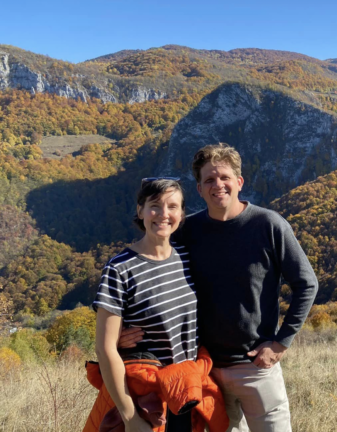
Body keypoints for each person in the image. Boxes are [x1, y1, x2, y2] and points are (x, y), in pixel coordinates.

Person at [121, 144, 318, 432]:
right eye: (209, 180)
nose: (218, 185)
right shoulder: (187, 231)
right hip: (205, 370)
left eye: (225, 177)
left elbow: (307, 283)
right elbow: (150, 273)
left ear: (239, 182)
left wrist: (280, 343)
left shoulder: (269, 225)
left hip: (256, 367)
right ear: (199, 189)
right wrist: (121, 330)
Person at [90, 178, 201, 432]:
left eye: (172, 207)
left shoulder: (186, 258)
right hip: (147, 403)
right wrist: (131, 418)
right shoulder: (119, 268)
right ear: (140, 211)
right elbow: (105, 349)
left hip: (187, 394)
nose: (164, 214)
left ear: (182, 213)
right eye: (155, 206)